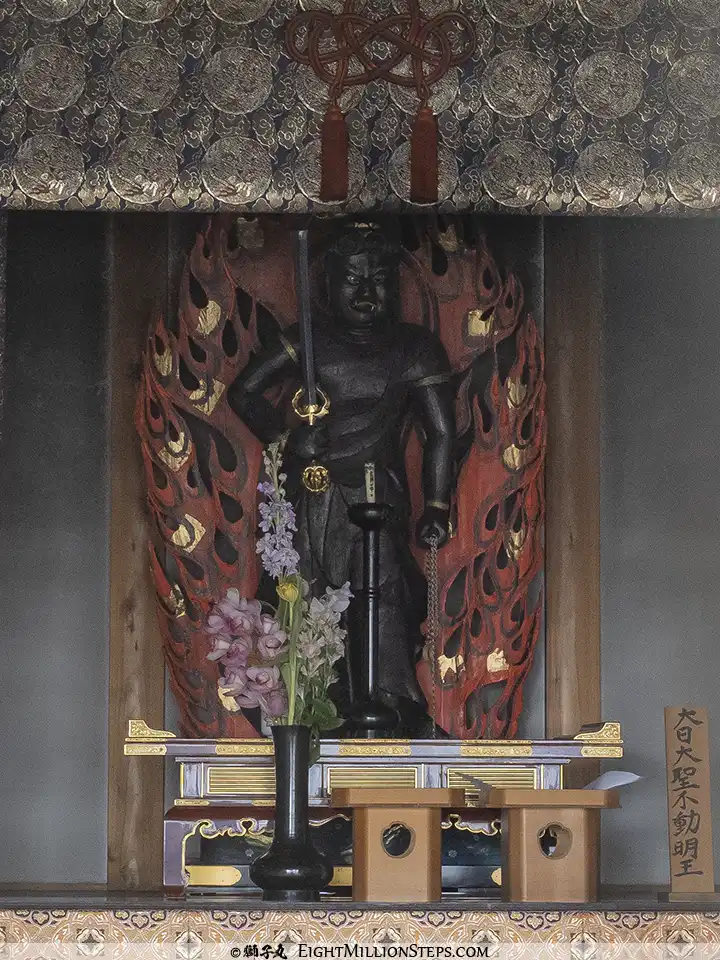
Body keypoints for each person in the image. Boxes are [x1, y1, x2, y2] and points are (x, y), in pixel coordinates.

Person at [228, 223, 455, 733]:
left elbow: (440, 432)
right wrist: (286, 437)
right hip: (312, 491)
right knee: (305, 593)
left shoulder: (414, 349)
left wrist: (437, 507)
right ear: (328, 286)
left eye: (378, 279)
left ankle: (392, 702)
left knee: (385, 595)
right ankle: (312, 705)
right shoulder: (308, 341)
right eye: (352, 280)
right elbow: (243, 393)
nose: (367, 293)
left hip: (379, 491)